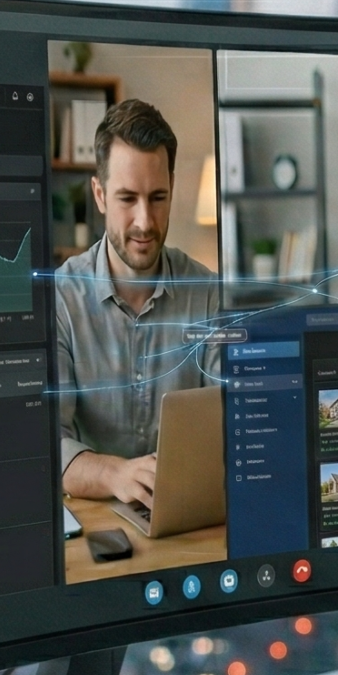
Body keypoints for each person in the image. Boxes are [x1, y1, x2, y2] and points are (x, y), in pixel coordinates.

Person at [54, 98, 220, 507]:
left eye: (158, 197)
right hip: (95, 519)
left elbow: (235, 422)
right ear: (100, 195)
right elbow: (45, 444)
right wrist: (114, 473)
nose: (145, 221)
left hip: (188, 515)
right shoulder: (60, 297)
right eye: (127, 198)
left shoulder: (211, 294)